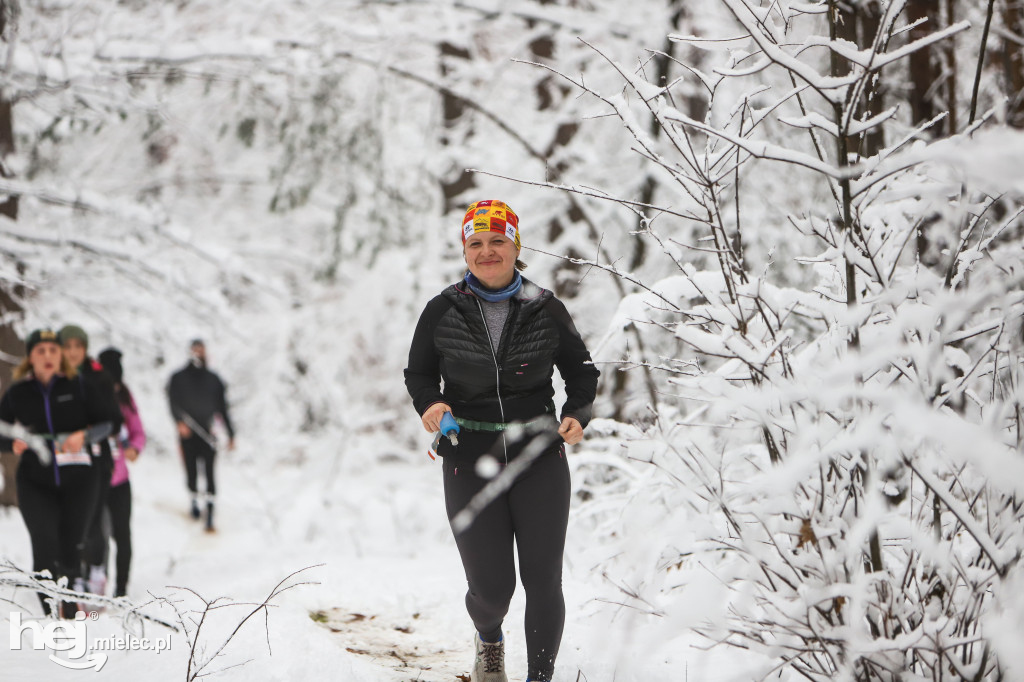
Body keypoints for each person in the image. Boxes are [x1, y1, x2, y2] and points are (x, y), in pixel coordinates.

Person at [405, 200, 600, 682]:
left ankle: (539, 678)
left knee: (542, 580)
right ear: (465, 250)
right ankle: (489, 640)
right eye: (476, 243)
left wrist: (576, 413)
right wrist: (431, 404)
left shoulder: (545, 306)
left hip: (539, 457)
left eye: (498, 241)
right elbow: (420, 373)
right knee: (492, 591)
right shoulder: (442, 309)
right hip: (468, 457)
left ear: (516, 246)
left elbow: (582, 371)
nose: (487, 251)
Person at [0, 329, 113, 617]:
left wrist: (84, 436)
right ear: (31, 357)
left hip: (80, 480)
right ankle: (52, 612)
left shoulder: (79, 386)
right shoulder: (18, 393)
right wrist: (12, 443)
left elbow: (107, 423)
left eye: (53, 350)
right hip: (35, 482)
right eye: (41, 351)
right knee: (44, 542)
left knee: (71, 545)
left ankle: (71, 604)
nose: (48, 356)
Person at [60, 324, 123, 597]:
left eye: (78, 346)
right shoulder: (53, 376)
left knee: (93, 519)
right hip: (62, 461)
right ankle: (73, 576)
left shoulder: (100, 378)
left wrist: (87, 433)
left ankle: (96, 570)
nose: (73, 352)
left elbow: (115, 421)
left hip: (97, 460)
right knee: (68, 520)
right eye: (68, 346)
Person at [167, 339, 235, 532]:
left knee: (210, 472)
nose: (198, 354)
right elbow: (172, 402)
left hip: (208, 433)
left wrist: (231, 434)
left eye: (201, 350)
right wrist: (179, 422)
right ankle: (194, 501)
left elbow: (223, 408)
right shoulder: (178, 378)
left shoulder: (214, 379)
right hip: (187, 433)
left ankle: (210, 509)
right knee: (191, 470)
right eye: (195, 350)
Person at [98, 348, 146, 598]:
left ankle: (121, 588)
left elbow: (138, 431)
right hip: (95, 480)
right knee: (97, 536)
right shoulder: (90, 395)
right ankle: (97, 584)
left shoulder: (126, 398)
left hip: (120, 481)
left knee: (122, 535)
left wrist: (135, 449)